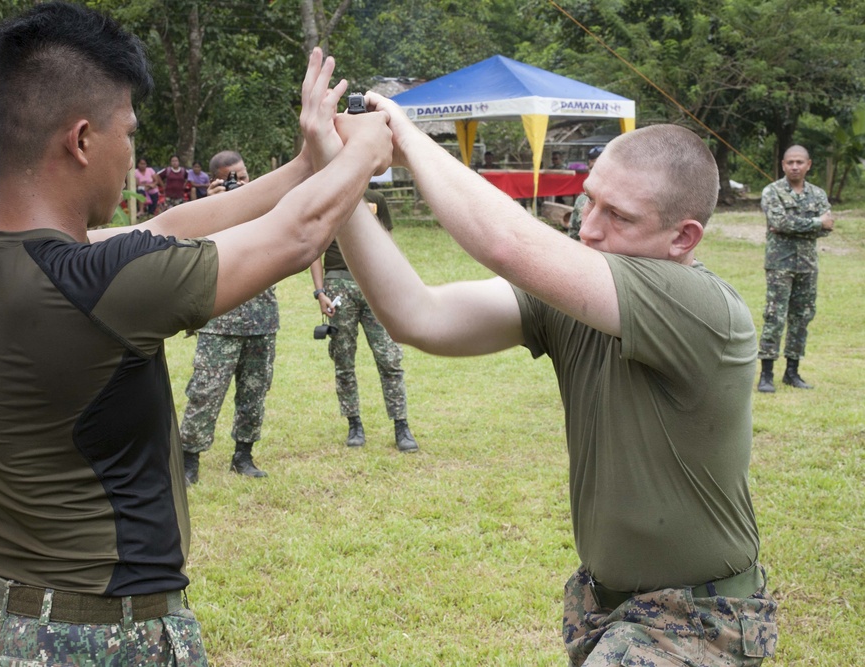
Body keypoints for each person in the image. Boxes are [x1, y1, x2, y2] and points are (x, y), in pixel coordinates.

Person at [0, 3, 391, 665]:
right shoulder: (96, 285)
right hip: (102, 638)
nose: (131, 153)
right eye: (128, 132)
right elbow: (297, 235)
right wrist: (370, 149)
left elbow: (169, 231)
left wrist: (306, 165)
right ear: (83, 139)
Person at [330, 94, 777, 666]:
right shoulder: (579, 297)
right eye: (589, 201)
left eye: (619, 216)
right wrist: (337, 176)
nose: (589, 230)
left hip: (700, 621)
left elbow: (506, 244)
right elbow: (417, 315)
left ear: (683, 239)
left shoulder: (700, 307)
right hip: (610, 610)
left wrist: (405, 135)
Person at [179, 151, 276, 482]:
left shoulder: (266, 209)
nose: (240, 182)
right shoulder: (204, 213)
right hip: (218, 318)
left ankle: (243, 456)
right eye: (231, 177)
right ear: (214, 181)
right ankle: (188, 459)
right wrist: (212, 209)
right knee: (205, 391)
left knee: (254, 391)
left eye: (243, 175)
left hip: (261, 317)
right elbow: (189, 253)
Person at [309, 188, 418, 452]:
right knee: (343, 359)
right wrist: (320, 291)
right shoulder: (328, 197)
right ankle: (354, 423)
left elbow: (388, 242)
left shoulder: (375, 199)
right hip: (338, 287)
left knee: (389, 357)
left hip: (375, 286)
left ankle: (401, 425)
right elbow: (314, 248)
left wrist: (395, 283)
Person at [756, 145, 833, 393]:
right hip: (780, 264)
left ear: (808, 164)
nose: (795, 166)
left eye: (800, 162)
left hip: (807, 265)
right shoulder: (772, 191)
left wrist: (797, 226)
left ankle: (792, 371)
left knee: (802, 317)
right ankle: (766, 373)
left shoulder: (818, 194)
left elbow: (828, 226)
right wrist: (814, 223)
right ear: (783, 164)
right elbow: (779, 221)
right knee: (774, 316)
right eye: (790, 162)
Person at [567, 145, 605, 240]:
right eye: (591, 167)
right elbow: (573, 234)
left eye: (598, 167)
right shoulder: (581, 200)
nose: (594, 172)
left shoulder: (620, 201)